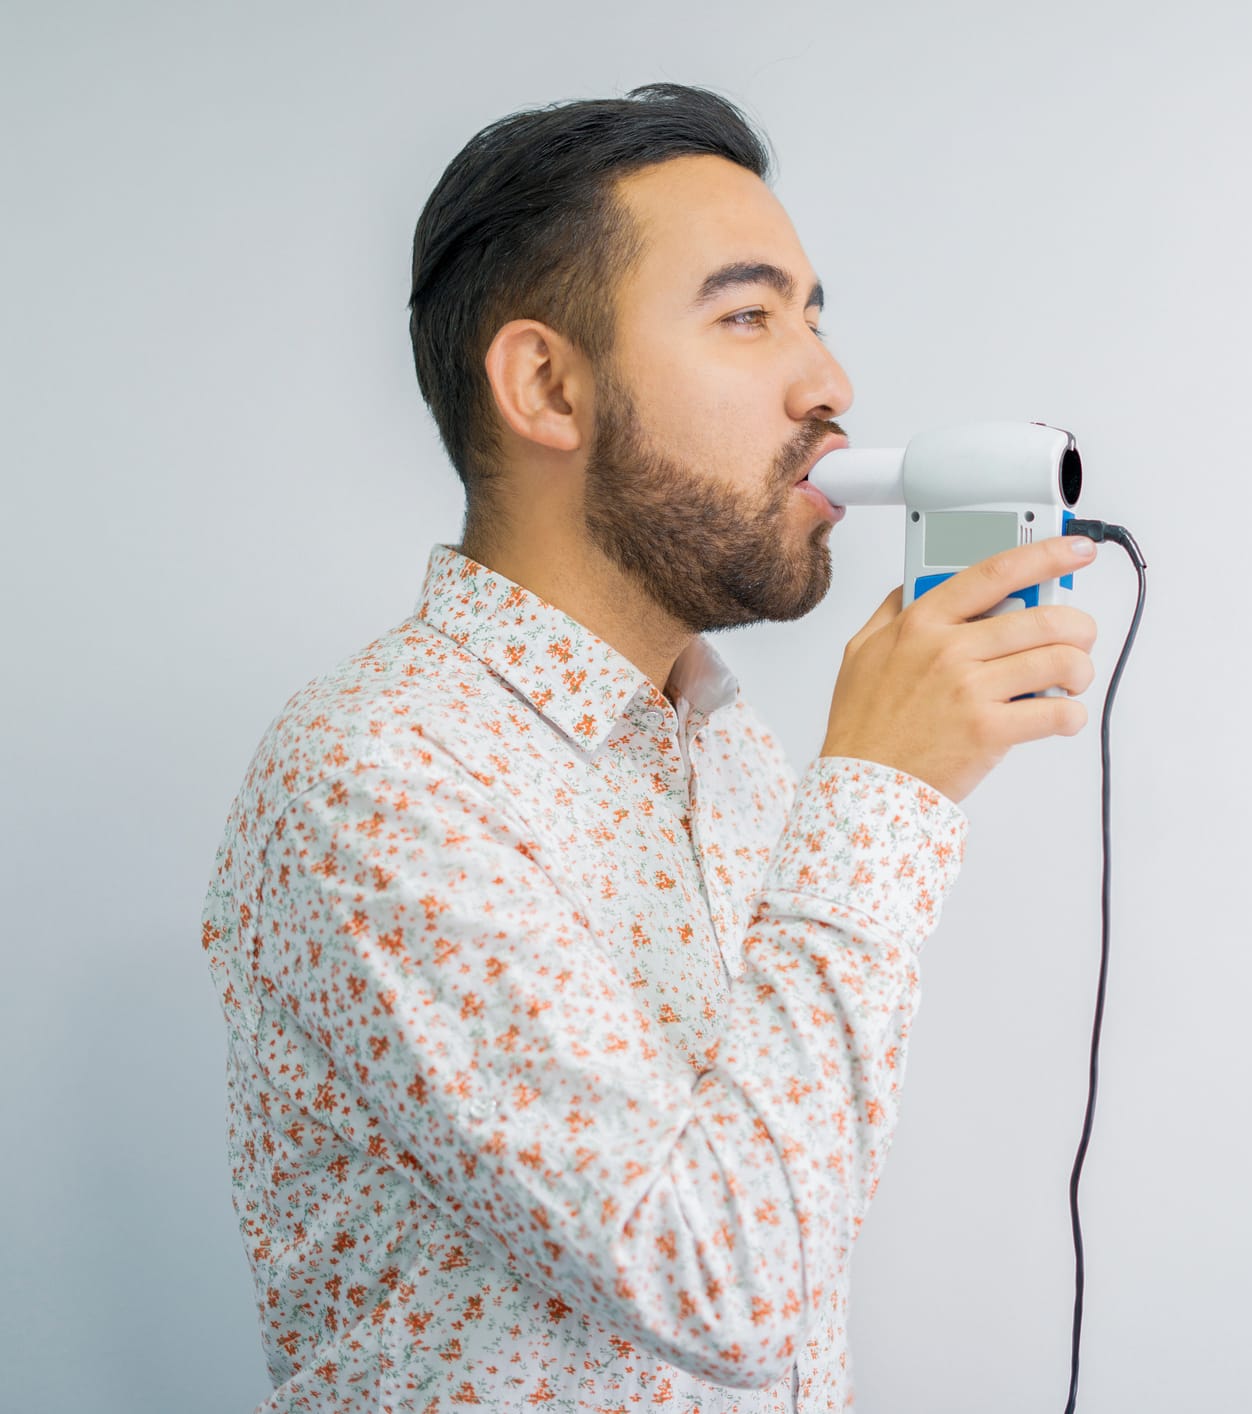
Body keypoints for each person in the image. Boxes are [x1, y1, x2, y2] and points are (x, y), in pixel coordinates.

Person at [199, 82, 1099, 1412]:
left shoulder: (723, 749)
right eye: (747, 316)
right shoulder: (374, 775)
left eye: (814, 315)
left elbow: (781, 1200)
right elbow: (724, 1285)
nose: (830, 383)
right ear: (547, 386)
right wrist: (885, 794)